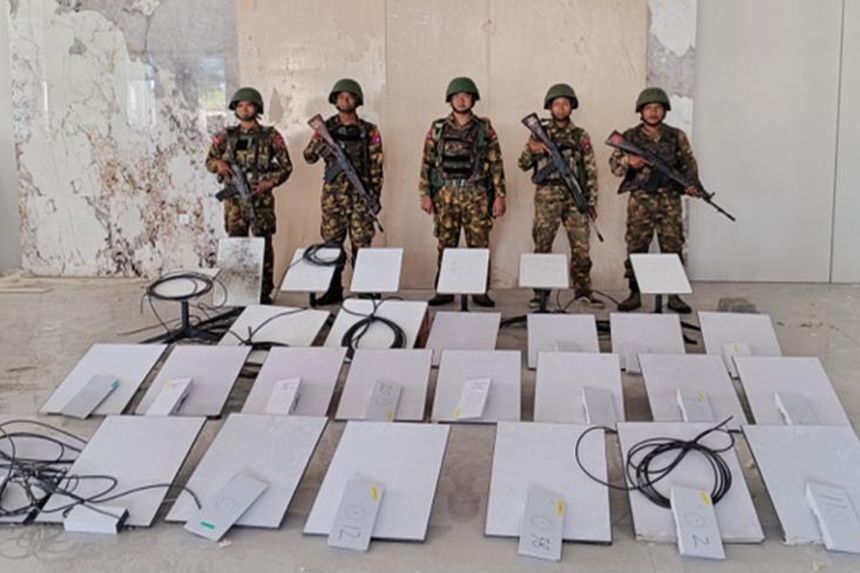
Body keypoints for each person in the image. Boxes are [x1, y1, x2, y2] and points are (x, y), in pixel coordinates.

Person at [609, 87, 700, 313]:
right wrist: (629, 162)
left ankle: (674, 295)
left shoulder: (676, 136)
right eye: (648, 108)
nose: (653, 112)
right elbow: (614, 166)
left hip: (669, 200)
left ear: (665, 111)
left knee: (673, 246)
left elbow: (689, 165)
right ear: (641, 111)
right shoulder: (630, 136)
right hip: (641, 201)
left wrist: (693, 186)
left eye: (658, 108)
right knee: (637, 247)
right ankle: (634, 293)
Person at [418, 77, 506, 307]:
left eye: (466, 95)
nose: (461, 99)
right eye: (457, 95)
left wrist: (500, 196)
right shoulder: (438, 128)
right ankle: (445, 290)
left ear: (473, 99)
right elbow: (427, 162)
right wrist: (425, 193)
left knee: (479, 243)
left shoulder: (484, 128)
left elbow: (496, 162)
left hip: (476, 195)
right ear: (450, 99)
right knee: (446, 243)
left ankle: (479, 290)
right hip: (446, 195)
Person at [518, 83, 602, 308]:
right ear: (549, 107)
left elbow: (591, 170)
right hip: (547, 196)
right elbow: (523, 164)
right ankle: (540, 293)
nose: (561, 108)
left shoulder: (580, 135)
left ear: (572, 107)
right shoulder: (539, 133)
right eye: (556, 104)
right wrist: (531, 149)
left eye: (565, 103)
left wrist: (591, 201)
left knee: (581, 247)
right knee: (543, 244)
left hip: (575, 197)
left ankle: (583, 290)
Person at [206, 87, 292, 304]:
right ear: (235, 109)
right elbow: (209, 161)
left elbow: (286, 166)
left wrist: (269, 182)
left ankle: (263, 292)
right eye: (240, 105)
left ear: (257, 108)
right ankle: (238, 292)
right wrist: (219, 164)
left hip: (261, 201)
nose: (245, 109)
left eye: (249, 104)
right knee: (236, 244)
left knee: (263, 243)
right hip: (234, 203)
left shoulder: (271, 136)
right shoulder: (224, 137)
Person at [303, 78, 384, 305]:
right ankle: (333, 289)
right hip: (333, 198)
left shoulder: (369, 131)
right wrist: (323, 145)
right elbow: (308, 157)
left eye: (349, 96)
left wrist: (373, 198)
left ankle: (365, 289)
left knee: (362, 244)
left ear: (357, 101)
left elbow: (377, 166)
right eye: (341, 96)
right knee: (331, 244)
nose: (345, 100)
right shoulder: (325, 128)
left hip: (360, 196)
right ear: (335, 100)